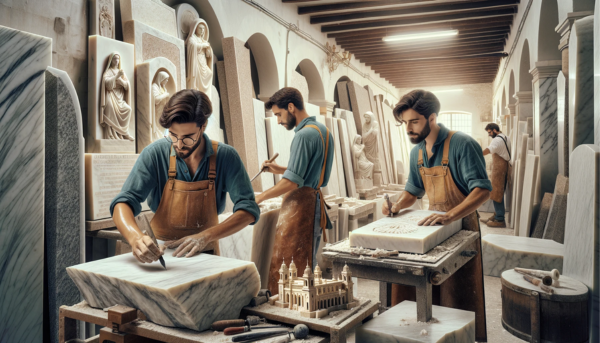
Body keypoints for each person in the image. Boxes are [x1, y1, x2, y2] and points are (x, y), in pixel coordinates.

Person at [383, 90, 490, 342]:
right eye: (405, 123)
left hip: (461, 227)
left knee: (458, 297)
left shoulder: (462, 144)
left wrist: (450, 215)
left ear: (432, 118)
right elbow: (413, 191)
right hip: (433, 226)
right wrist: (397, 206)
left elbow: (483, 190)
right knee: (416, 285)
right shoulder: (417, 152)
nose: (408, 128)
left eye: (414, 121)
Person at [110, 89, 259, 263]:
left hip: (206, 254)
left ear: (203, 126)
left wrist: (205, 236)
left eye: (188, 137)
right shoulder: (154, 154)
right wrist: (135, 237)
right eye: (173, 135)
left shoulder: (226, 157)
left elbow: (248, 210)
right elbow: (123, 202)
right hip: (160, 255)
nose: (179, 145)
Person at [254, 87, 334, 294]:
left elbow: (292, 183)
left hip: (301, 207)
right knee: (306, 262)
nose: (279, 121)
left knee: (291, 266)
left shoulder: (303, 136)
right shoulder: (322, 131)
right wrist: (280, 169)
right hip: (313, 202)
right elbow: (309, 174)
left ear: (291, 107)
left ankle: (291, 315)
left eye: (279, 114)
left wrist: (259, 197)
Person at [482, 123, 511, 227]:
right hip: (502, 167)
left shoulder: (497, 140)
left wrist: (478, 154)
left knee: (496, 193)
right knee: (496, 193)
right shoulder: (505, 136)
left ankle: (499, 219)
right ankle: (496, 215)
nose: (489, 134)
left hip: (500, 168)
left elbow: (490, 149)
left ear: (495, 130)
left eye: (490, 132)